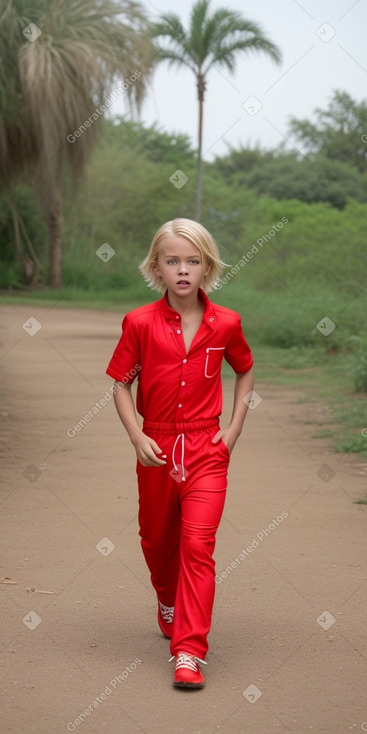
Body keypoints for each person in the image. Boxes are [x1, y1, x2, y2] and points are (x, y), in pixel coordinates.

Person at [106, 218, 254, 689]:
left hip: (208, 449)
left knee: (197, 545)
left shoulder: (226, 323)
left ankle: (189, 651)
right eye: (173, 261)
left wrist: (231, 431)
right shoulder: (139, 323)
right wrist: (137, 437)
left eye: (193, 261)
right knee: (156, 541)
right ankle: (165, 599)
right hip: (157, 447)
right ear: (157, 266)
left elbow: (246, 373)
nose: (183, 270)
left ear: (207, 267)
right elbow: (120, 384)